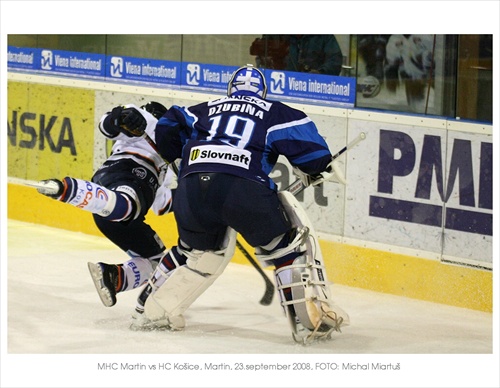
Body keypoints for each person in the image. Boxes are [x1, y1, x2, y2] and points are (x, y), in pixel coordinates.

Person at [114, 64, 349, 344]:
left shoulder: (200, 109)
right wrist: (319, 166)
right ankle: (304, 322)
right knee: (286, 247)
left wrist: (180, 154)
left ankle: (147, 310)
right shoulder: (276, 112)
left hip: (191, 190)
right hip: (244, 188)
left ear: (230, 91)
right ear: (262, 92)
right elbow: (314, 155)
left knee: (193, 250)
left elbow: (167, 128)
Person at [36, 102, 177, 308]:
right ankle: (70, 190)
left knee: (157, 262)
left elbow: (161, 205)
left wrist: (193, 198)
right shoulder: (146, 123)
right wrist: (120, 118)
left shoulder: (165, 166)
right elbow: (106, 126)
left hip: (119, 209)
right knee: (127, 205)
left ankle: (114, 277)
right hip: (124, 174)